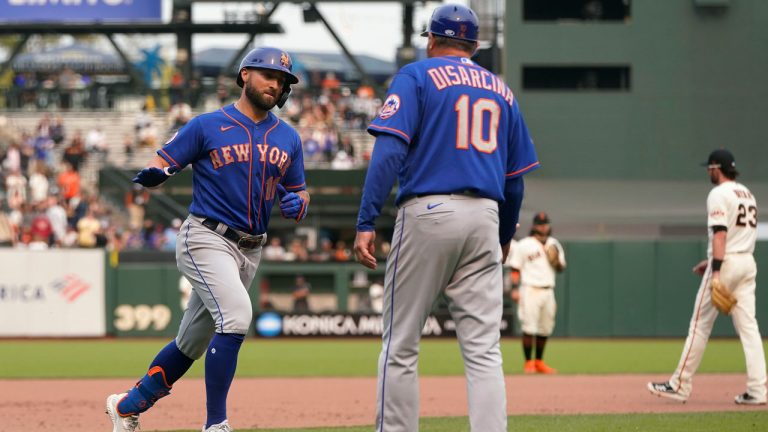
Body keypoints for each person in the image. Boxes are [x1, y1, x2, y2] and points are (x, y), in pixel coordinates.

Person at [352, 4, 539, 431]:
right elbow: (514, 182)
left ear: (431, 40)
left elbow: (389, 151)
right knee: (484, 350)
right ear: (474, 46)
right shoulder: (501, 90)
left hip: (429, 210)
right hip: (486, 218)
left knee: (401, 343)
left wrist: (366, 220)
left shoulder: (417, 75)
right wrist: (506, 233)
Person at [105, 46, 309, 432]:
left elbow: (299, 190)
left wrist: (298, 201)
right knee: (236, 316)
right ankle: (216, 424)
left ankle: (127, 406)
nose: (275, 84)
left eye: (282, 80)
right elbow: (163, 161)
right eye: (268, 75)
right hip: (206, 237)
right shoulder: (206, 125)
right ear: (245, 75)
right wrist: (156, 173)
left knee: (191, 344)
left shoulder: (289, 138)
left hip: (251, 247)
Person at [648, 149, 767, 405]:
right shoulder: (747, 193)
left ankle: (679, 384)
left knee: (699, 325)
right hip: (747, 261)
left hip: (727, 265)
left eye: (709, 167)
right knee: (749, 328)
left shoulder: (718, 193)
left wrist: (716, 271)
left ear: (717, 168)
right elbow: (734, 236)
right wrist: (713, 259)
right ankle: (758, 390)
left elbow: (721, 234)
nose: (707, 172)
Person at [509, 212, 566, 374]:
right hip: (530, 289)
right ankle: (528, 363)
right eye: (540, 224)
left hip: (548, 290)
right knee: (529, 327)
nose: (543, 227)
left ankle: (539, 361)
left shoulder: (554, 243)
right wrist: (514, 289)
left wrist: (555, 262)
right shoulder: (525, 244)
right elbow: (515, 269)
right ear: (534, 226)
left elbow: (561, 268)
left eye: (545, 224)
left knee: (545, 328)